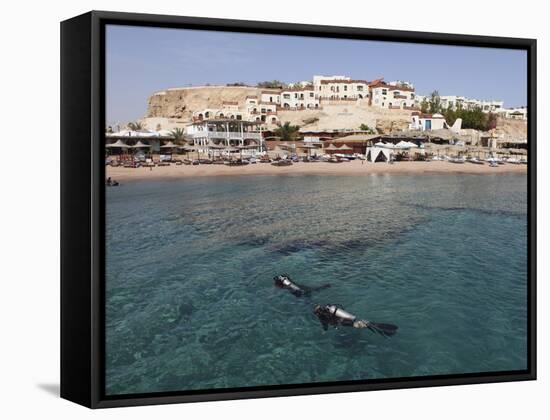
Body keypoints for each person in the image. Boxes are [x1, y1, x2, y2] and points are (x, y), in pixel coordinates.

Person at [313, 304, 398, 336]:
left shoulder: (322, 317)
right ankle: (373, 325)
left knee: (359, 325)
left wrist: (324, 331)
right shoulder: (329, 310)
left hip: (343, 322)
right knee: (360, 323)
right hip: (345, 318)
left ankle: (376, 327)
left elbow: (325, 325)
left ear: (318, 314)